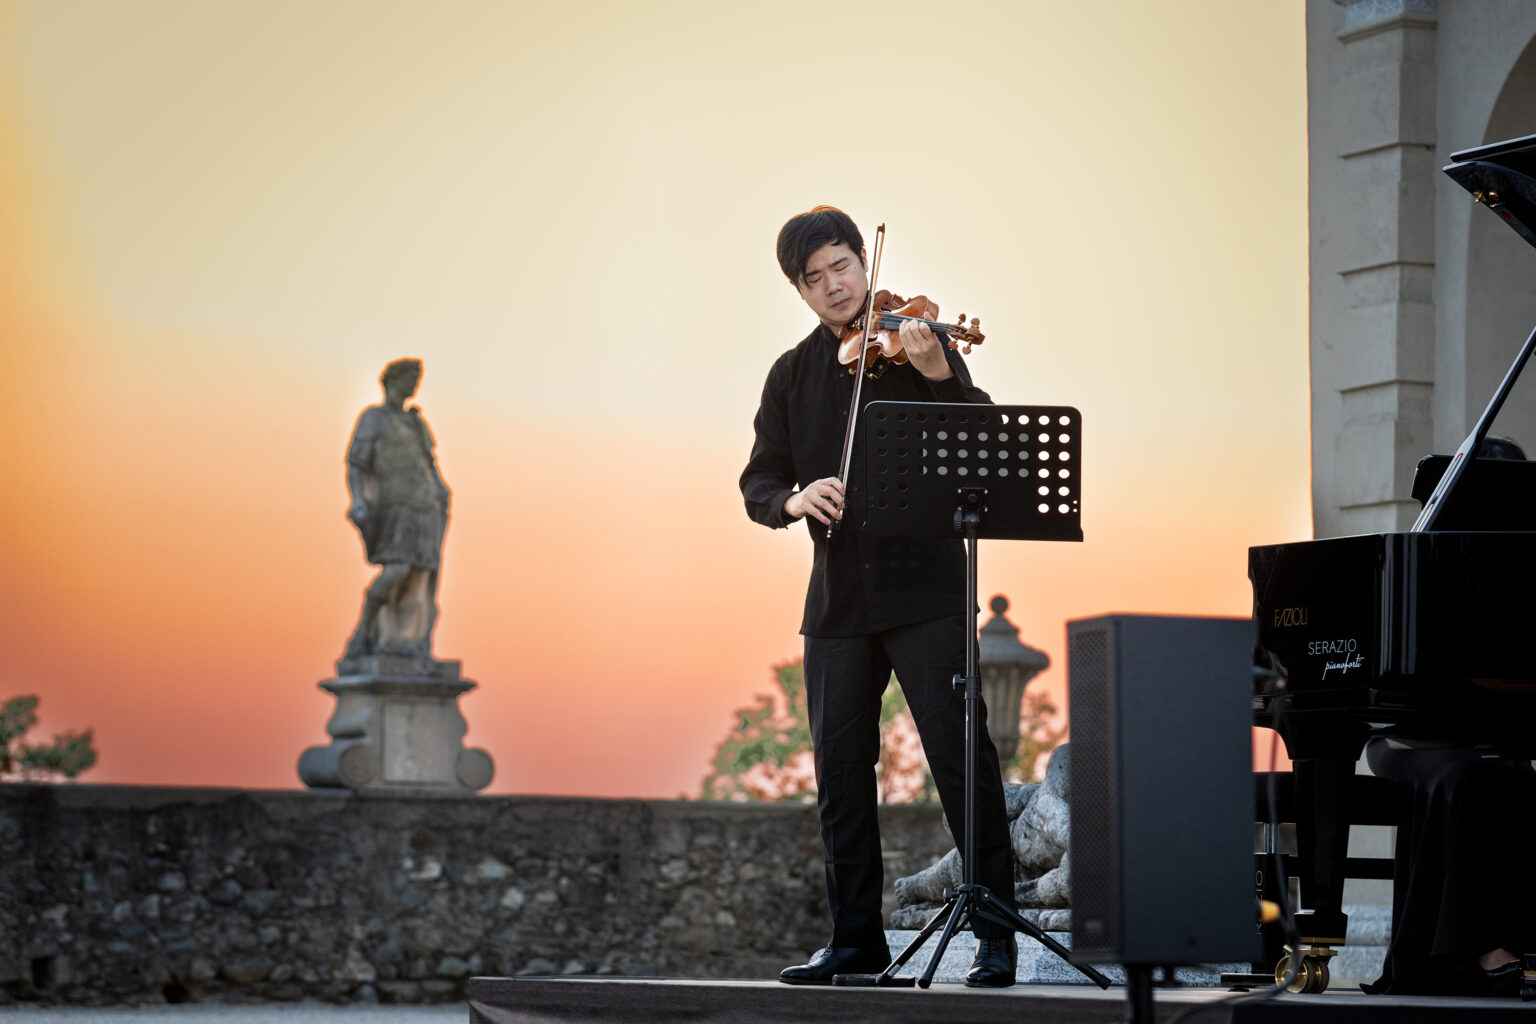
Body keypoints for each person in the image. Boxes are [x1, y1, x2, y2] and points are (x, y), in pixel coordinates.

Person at [740, 206, 1018, 987]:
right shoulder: (792, 375)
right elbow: (759, 479)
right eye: (814, 277)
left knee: (963, 761)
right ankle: (856, 941)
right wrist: (794, 500)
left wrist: (937, 373)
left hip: (925, 588)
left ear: (865, 261)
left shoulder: (916, 346)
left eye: (842, 267)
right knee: (839, 772)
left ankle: (995, 937)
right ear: (798, 289)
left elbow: (985, 443)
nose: (834, 286)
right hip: (835, 603)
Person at [1361, 435, 1536, 998]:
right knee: (1468, 777)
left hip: (1491, 739)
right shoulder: (1418, 566)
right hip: (1410, 738)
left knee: (1509, 776)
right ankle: (1474, 950)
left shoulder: (1521, 572)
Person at [343, 358, 451, 662]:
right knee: (397, 570)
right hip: (394, 504)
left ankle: (406, 642)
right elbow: (356, 464)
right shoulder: (373, 418)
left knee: (420, 578)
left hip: (425, 506)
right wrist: (359, 500)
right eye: (411, 378)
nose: (415, 384)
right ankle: (364, 632)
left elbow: (430, 464)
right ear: (394, 379)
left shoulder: (416, 423)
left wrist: (441, 492)